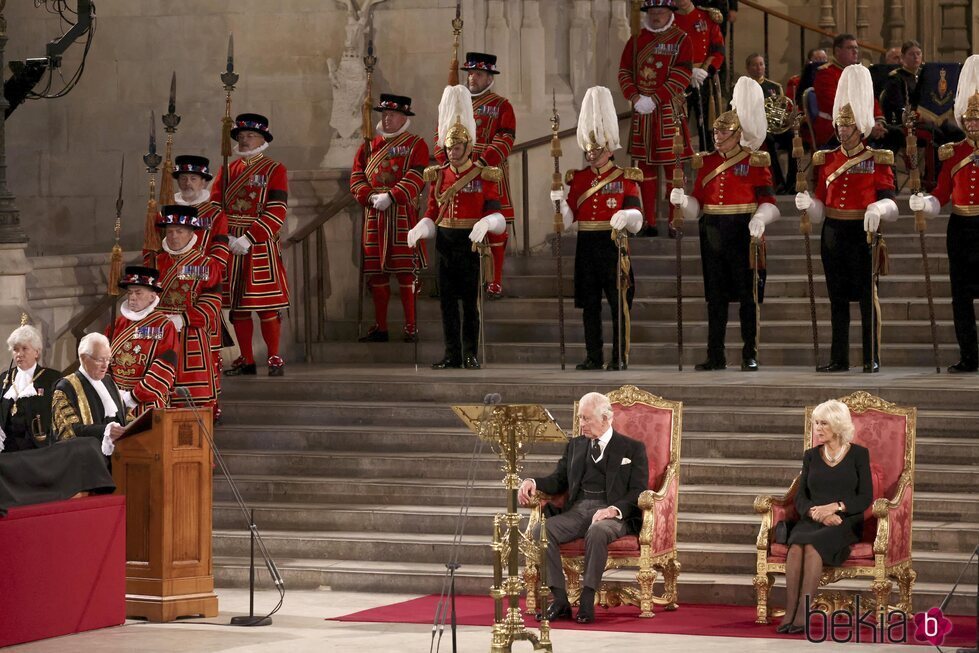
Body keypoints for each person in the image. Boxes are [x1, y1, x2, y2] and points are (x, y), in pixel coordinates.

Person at [671, 76, 780, 371]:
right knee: (715, 297)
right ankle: (715, 354)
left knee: (747, 296)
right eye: (716, 134)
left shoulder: (755, 161)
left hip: (743, 228)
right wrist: (682, 202)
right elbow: (698, 208)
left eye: (725, 134)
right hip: (712, 230)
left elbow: (770, 202)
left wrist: (759, 218)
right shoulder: (705, 162)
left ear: (737, 134)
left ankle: (749, 353)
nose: (718, 138)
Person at [796, 65, 898, 373]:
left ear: (861, 127)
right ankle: (839, 357)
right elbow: (822, 204)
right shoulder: (826, 159)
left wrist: (877, 210)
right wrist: (809, 206)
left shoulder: (877, 159)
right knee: (837, 299)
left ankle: (871, 357)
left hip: (862, 232)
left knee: (867, 299)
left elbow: (891, 203)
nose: (842, 131)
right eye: (840, 126)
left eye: (848, 126)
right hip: (833, 230)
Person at [517, 392, 648, 625]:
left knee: (597, 531)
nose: (581, 424)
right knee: (541, 531)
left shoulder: (632, 449)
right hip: (578, 509)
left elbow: (638, 490)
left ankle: (587, 599)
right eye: (580, 418)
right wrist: (533, 482)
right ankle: (560, 600)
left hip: (612, 514)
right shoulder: (575, 446)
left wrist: (612, 510)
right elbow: (558, 480)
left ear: (606, 418)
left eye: (587, 419)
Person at [407, 85, 504, 370]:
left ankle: (470, 353)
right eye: (448, 148)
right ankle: (451, 353)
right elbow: (433, 213)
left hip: (470, 242)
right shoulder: (439, 176)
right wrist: (421, 229)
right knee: (446, 303)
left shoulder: (483, 174)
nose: (451, 153)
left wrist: (486, 223)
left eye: (457, 148)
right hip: (446, 242)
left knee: (469, 305)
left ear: (468, 147)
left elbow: (496, 213)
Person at [550, 86, 643, 371]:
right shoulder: (577, 179)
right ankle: (593, 355)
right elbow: (567, 221)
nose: (591, 155)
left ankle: (619, 356)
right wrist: (558, 204)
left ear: (609, 147)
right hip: (586, 244)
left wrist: (625, 215)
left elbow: (638, 220)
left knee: (618, 304)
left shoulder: (626, 176)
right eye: (588, 150)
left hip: (613, 244)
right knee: (590, 304)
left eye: (596, 150)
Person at [908, 54, 979, 373]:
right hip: (961, 229)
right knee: (960, 297)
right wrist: (927, 204)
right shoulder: (954, 153)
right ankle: (969, 355)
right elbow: (941, 194)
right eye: (970, 119)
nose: (974, 124)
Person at [776, 399, 872, 634]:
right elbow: (800, 497)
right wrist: (816, 513)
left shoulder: (859, 455)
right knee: (797, 544)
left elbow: (865, 497)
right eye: (816, 423)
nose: (818, 429)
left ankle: (803, 613)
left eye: (823, 424)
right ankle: (790, 610)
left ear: (838, 425)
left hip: (844, 521)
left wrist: (835, 507)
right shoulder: (811, 455)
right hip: (812, 518)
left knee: (812, 545)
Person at [210, 113, 290, 377]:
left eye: (250, 136)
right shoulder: (227, 169)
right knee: (238, 307)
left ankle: (274, 357)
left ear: (262, 139)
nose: (244, 141)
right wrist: (225, 237)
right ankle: (246, 359)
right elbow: (213, 206)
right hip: (231, 242)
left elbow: (277, 209)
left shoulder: (274, 169)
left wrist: (250, 237)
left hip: (259, 244)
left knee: (267, 306)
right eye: (241, 136)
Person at [434, 52, 516, 299]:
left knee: (494, 225)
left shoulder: (502, 105)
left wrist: (483, 160)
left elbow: (506, 137)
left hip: (488, 172)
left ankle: (495, 280)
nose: (472, 78)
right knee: (456, 225)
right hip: (457, 173)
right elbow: (439, 136)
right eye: (469, 73)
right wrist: (447, 162)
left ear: (490, 76)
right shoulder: (454, 104)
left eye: (478, 74)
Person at [350, 93, 430, 342]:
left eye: (392, 115)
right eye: (384, 114)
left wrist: (393, 196)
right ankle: (381, 326)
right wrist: (369, 196)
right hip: (374, 216)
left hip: (403, 214)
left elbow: (418, 176)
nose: (386, 119)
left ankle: (411, 326)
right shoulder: (368, 146)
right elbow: (356, 177)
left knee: (406, 272)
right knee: (377, 274)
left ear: (404, 117)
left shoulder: (417, 144)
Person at [618, 0, 693, 236]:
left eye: (660, 12)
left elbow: (683, 74)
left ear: (670, 12)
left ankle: (675, 220)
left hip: (669, 110)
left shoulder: (681, 39)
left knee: (674, 172)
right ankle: (647, 222)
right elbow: (624, 71)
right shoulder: (637, 39)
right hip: (643, 113)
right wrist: (635, 97)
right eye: (652, 12)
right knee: (644, 171)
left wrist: (656, 98)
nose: (656, 16)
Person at [172, 155, 230, 414]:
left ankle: (212, 404)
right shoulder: (167, 211)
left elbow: (219, 255)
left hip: (203, 287)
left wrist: (195, 270)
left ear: (204, 181)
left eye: (193, 178)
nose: (187, 182)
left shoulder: (215, 213)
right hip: (171, 294)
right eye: (183, 178)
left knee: (211, 353)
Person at [155, 205, 222, 414]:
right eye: (170, 231)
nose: (174, 236)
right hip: (159, 334)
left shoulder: (206, 264)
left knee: (195, 398)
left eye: (179, 231)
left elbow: (212, 303)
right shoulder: (155, 262)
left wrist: (183, 319)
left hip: (190, 334)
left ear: (192, 233)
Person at [106, 266, 180, 415]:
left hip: (148, 403)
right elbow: (103, 360)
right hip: (115, 401)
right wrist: (111, 392)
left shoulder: (164, 326)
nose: (132, 297)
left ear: (152, 296)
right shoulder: (117, 324)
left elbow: (164, 367)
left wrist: (133, 397)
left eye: (138, 292)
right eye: (130, 292)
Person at [51, 332, 128, 460]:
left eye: (108, 359)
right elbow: (68, 431)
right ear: (83, 358)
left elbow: (124, 416)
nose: (105, 365)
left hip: (120, 458)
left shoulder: (109, 382)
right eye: (100, 359)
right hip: (88, 462)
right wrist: (105, 430)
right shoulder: (65, 387)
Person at [812, 34, 887, 148]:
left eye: (856, 48)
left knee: (895, 135)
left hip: (862, 124)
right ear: (837, 51)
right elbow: (835, 106)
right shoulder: (826, 74)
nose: (855, 51)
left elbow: (871, 100)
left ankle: (883, 166)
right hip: (836, 127)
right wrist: (866, 125)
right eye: (850, 48)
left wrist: (877, 122)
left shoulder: (859, 73)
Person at [0, 324, 60, 453]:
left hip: (38, 450)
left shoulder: (52, 378)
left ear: (37, 352)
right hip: (7, 450)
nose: (19, 354)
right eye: (15, 349)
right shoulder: (5, 378)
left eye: (25, 348)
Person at [674, 0, 725, 151]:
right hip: (678, 79)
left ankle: (708, 163)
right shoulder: (669, 19)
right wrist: (686, 72)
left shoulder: (707, 17)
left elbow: (718, 50)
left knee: (708, 128)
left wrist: (706, 70)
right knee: (679, 126)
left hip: (704, 78)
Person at [746, 52, 796, 192]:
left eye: (761, 64)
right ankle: (778, 182)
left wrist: (787, 119)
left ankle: (792, 182)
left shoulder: (774, 86)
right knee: (768, 141)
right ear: (748, 68)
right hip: (756, 130)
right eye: (755, 65)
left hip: (774, 127)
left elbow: (782, 109)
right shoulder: (744, 87)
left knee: (793, 139)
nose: (759, 68)